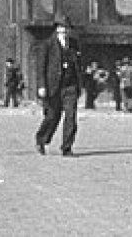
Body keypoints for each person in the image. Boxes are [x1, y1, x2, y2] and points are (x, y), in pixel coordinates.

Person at [35, 15, 82, 157]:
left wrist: (79, 83)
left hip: (70, 86)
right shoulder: (47, 45)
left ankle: (67, 147)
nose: (64, 31)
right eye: (62, 27)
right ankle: (42, 139)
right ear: (57, 29)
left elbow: (78, 64)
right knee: (52, 116)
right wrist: (41, 86)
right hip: (53, 86)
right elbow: (41, 67)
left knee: (71, 116)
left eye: (67, 28)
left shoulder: (74, 44)